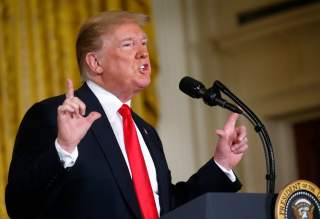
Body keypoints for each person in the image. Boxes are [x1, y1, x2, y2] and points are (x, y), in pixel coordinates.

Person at [5, 11, 248, 219]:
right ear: (95, 62)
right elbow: (20, 205)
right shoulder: (53, 116)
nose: (143, 53)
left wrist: (221, 165)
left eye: (144, 43)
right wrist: (63, 150)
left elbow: (165, 209)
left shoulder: (146, 132)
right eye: (129, 44)